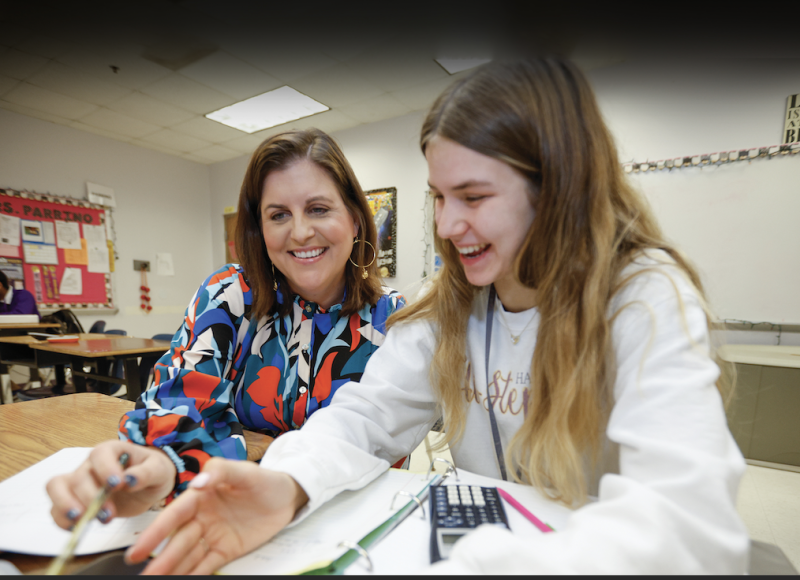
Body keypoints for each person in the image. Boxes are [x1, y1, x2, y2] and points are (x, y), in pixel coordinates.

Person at [86, 58, 751, 574]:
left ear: (560, 189)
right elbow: (362, 417)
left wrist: (487, 564)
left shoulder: (644, 298)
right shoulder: (453, 307)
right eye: (438, 196)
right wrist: (284, 484)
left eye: (473, 196)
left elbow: (692, 530)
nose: (447, 225)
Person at [45, 129, 405, 524]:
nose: (299, 231)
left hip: (350, 519)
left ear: (355, 220)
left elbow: (384, 445)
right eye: (278, 215)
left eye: (318, 209)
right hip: (234, 511)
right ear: (260, 229)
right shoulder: (229, 294)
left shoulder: (394, 318)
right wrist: (157, 462)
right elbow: (181, 397)